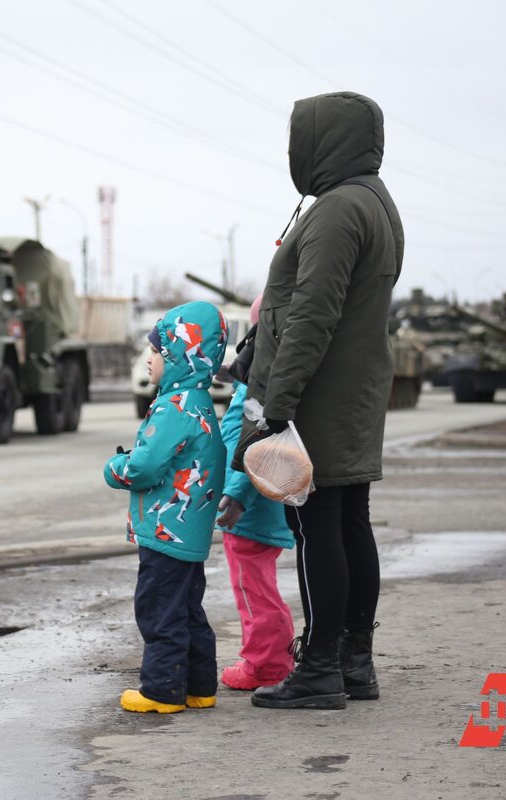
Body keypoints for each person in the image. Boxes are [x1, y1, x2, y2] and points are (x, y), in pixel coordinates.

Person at [233, 91, 404, 711]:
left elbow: (311, 316)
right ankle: (354, 662)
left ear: (323, 142)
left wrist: (275, 406)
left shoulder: (336, 210)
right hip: (351, 393)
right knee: (349, 522)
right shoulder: (375, 203)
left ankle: (321, 667)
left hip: (318, 400)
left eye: (299, 139)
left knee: (316, 528)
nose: (293, 152)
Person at [104, 300, 229, 713]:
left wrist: (115, 467)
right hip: (187, 531)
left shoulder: (173, 408)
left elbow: (144, 466)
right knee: (187, 609)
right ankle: (198, 687)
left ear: (178, 355)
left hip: (165, 530)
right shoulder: (199, 404)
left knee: (158, 609)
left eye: (156, 352)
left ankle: (161, 691)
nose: (149, 361)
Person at [215, 295, 296, 691]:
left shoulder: (265, 379)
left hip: (252, 505)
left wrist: (236, 494)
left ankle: (265, 664)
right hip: (260, 499)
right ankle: (272, 657)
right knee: (258, 584)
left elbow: (253, 439)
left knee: (254, 589)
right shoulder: (267, 370)